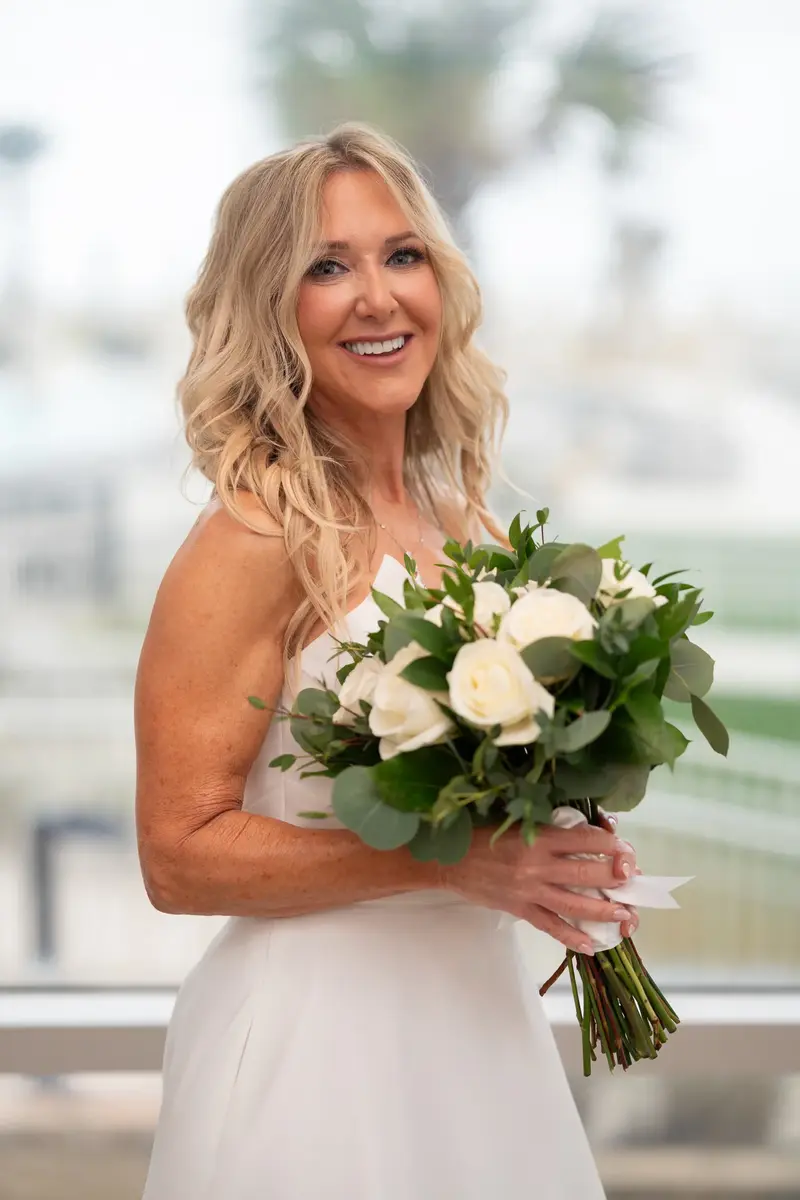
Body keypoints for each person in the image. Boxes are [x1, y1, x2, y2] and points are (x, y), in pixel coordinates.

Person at [135, 123, 638, 1200]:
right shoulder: (254, 539)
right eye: (327, 267)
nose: (376, 297)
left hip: (478, 1039)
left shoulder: (476, 533)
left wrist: (562, 837)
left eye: (400, 255)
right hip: (317, 1057)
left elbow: (478, 812)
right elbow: (178, 855)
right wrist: (455, 865)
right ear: (268, 309)